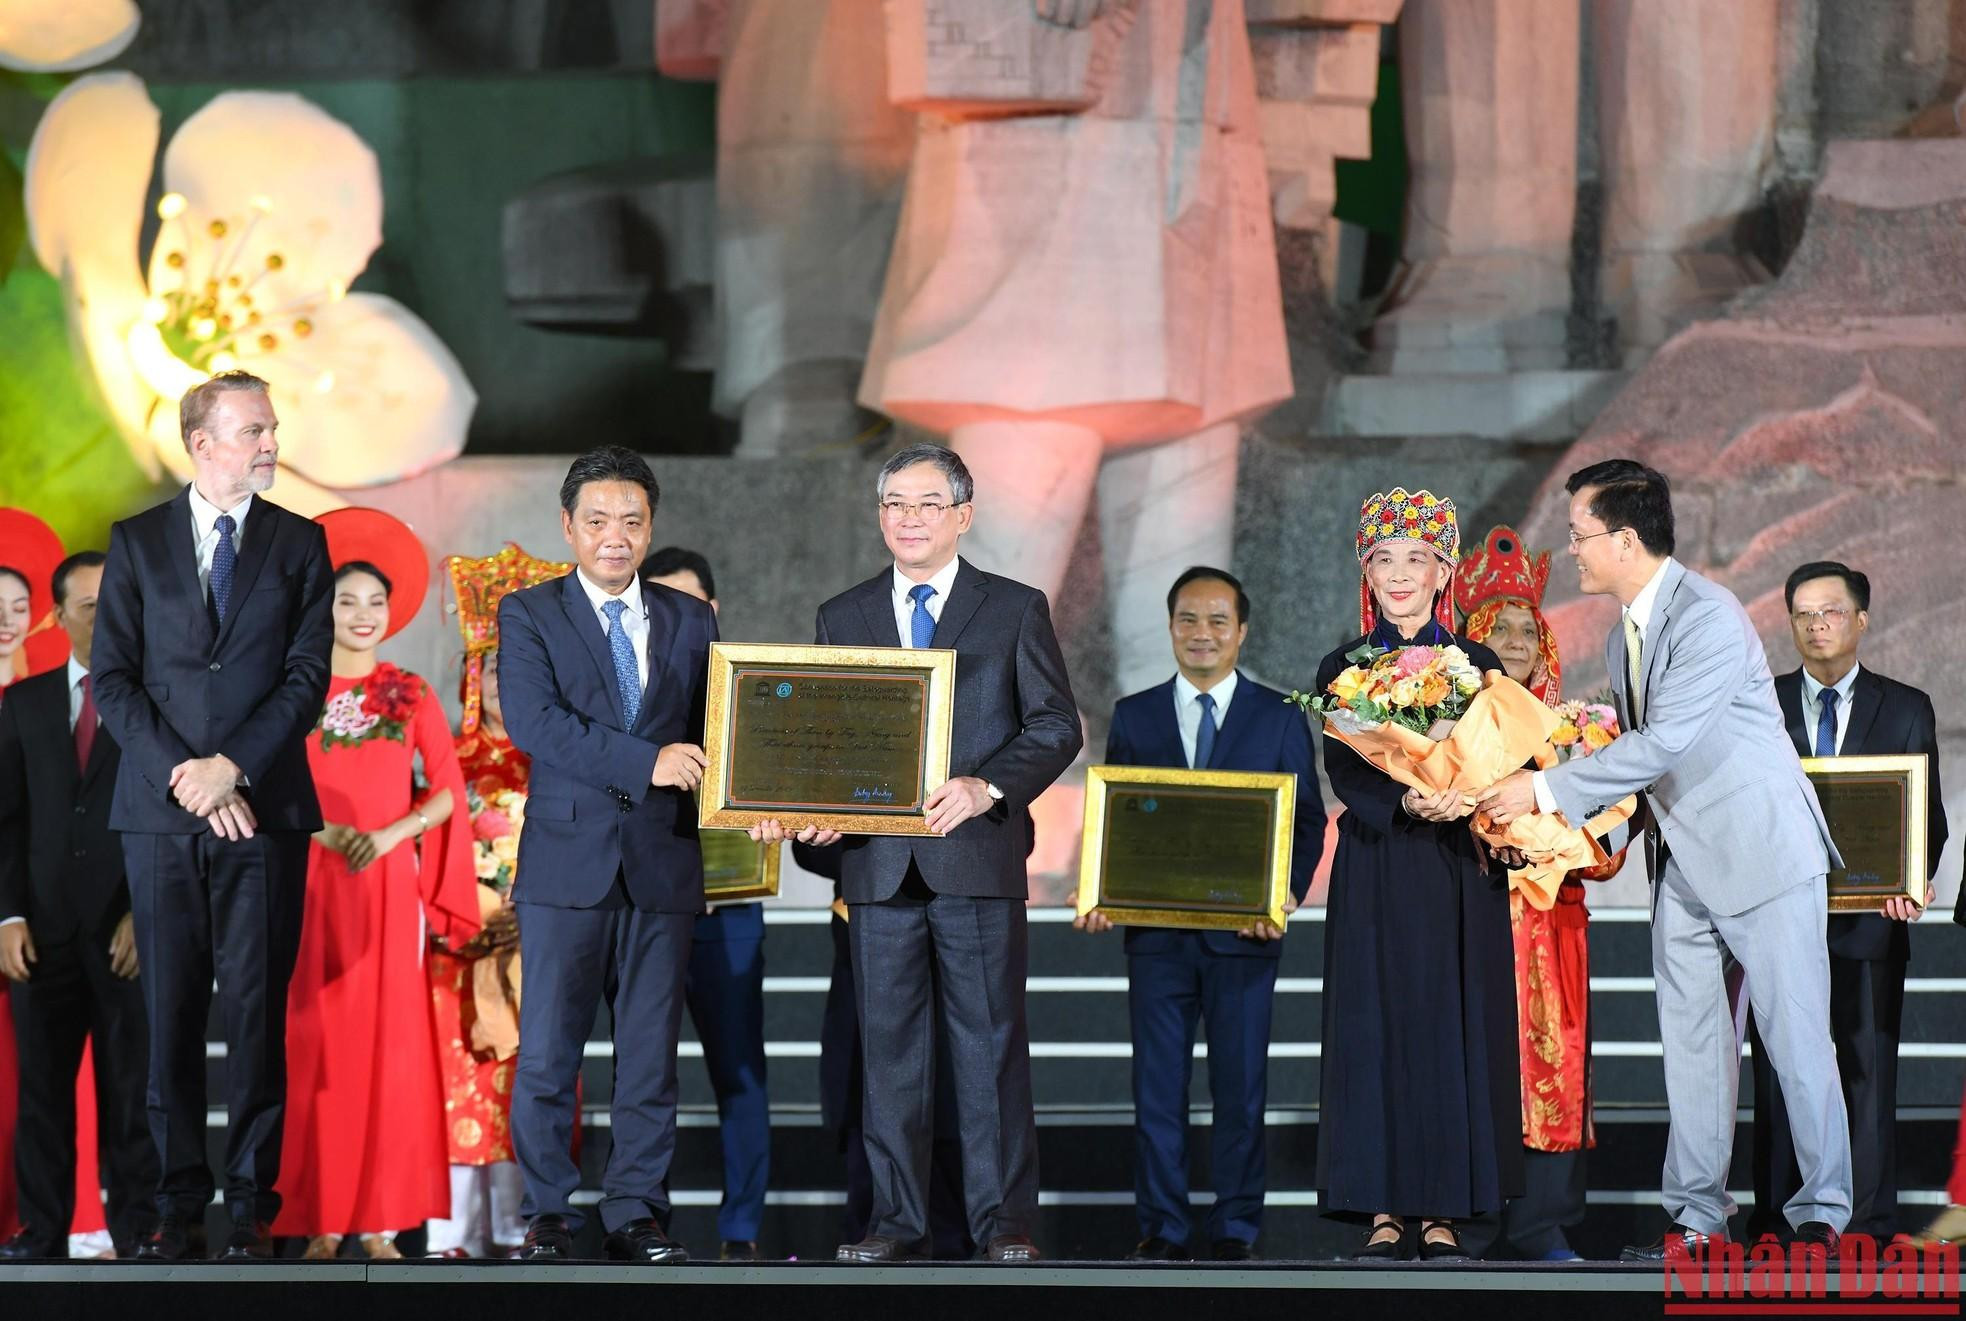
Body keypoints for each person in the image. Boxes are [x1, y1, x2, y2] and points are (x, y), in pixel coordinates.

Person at [1478, 459, 1849, 1258]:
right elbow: (1647, 771)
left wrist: (1541, 792)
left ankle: (1822, 1210)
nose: (1571, 547)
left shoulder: (1710, 616)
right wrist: (1570, 840)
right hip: (1682, 865)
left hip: (1763, 855)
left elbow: (1664, 742)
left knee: (1796, 1040)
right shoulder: (1619, 639)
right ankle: (1697, 1218)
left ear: (1624, 536)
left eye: (1579, 533)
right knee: (1692, 1047)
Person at [754, 442, 1082, 1263]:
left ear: (963, 515)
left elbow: (1054, 726)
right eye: (895, 503)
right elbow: (823, 742)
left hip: (973, 857)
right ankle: (896, 1220)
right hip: (875, 866)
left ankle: (1002, 1222)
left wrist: (985, 786)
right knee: (888, 1051)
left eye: (927, 503)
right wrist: (815, 809)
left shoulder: (1013, 607)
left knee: (988, 1045)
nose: (909, 518)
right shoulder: (844, 613)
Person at [91, 370, 334, 1260]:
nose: (271, 442)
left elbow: (306, 677)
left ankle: (251, 1204)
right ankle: (174, 1202)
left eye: (272, 427)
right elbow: (114, 677)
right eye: (254, 430)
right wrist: (187, 777)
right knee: (170, 1014)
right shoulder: (139, 541)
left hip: (264, 812)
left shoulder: (301, 544)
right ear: (203, 443)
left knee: (258, 1012)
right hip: (161, 819)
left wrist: (232, 769)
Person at [497, 447, 719, 1264]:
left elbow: (716, 731)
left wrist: (754, 800)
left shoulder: (692, 618)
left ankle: (635, 1211)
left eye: (631, 520)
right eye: (597, 520)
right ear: (568, 527)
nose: (615, 536)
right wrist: (645, 761)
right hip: (565, 864)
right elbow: (535, 724)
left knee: (650, 1056)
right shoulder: (529, 613)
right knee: (551, 1051)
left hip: (662, 861)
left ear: (651, 525)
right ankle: (549, 1212)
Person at [1076, 566, 1325, 1262]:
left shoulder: (1280, 716)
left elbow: (1305, 823)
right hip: (1157, 940)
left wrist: (1287, 896)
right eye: (1189, 619)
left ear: (1242, 630)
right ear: (1170, 626)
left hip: (1245, 936)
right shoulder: (1136, 714)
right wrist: (1100, 887)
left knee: (1241, 1092)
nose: (1203, 633)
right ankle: (1163, 1225)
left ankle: (1237, 1226)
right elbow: (1119, 818)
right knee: (1158, 1092)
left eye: (1218, 620)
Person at [1315, 488, 1522, 1261]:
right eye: (1384, 560)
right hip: (1376, 861)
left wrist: (1460, 797)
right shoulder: (1343, 667)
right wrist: (1405, 795)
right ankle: (1380, 1206)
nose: (1399, 574)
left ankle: (1443, 1205)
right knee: (1374, 1026)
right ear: (1366, 572)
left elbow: (1505, 757)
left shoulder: (1480, 665)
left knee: (1449, 1024)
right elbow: (1345, 767)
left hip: (1456, 868)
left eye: (1416, 559)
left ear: (1443, 572)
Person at [274, 513, 482, 1257]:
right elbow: (268, 780)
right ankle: (321, 1218)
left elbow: (447, 792)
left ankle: (381, 1222)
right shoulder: (293, 689)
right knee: (314, 1046)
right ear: (320, 608)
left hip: (387, 885)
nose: (362, 615)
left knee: (389, 1045)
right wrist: (324, 830)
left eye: (374, 603)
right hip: (310, 882)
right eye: (346, 601)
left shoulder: (409, 691)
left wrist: (392, 833)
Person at [1748, 561, 1948, 1245]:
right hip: (1777, 923)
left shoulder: (1907, 706)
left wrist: (1911, 880)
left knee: (1867, 1070)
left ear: (1861, 619)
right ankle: (1778, 1217)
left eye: (1831, 611)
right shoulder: (1758, 703)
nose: (1817, 625)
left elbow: (1930, 818)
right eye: (1803, 613)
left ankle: (1864, 1222)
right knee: (1779, 1074)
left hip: (1871, 922)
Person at [1456, 525, 1611, 1262]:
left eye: (1527, 627)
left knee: (1556, 1061)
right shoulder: (1442, 725)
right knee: (1475, 1064)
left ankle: (1544, 1223)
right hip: (1475, 918)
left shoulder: (1573, 731)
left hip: (1552, 927)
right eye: (1499, 627)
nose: (1515, 638)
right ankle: (1473, 1218)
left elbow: (1607, 840)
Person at [0, 552, 157, 1258]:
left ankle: (140, 1233)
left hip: (128, 933)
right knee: (43, 1098)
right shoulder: (24, 702)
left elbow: (171, 822)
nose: (104, 614)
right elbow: (6, 820)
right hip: (41, 933)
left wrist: (142, 914)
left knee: (132, 1097)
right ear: (58, 615)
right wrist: (6, 916)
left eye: (114, 600)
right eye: (88, 604)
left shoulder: (158, 701)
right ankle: (42, 1233)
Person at [426, 543, 570, 1260]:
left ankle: (522, 1225)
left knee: (530, 1077)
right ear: (471, 674)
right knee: (454, 1077)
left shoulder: (562, 760)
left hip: (539, 944)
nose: (503, 680)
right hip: (456, 943)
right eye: (491, 665)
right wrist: (462, 909)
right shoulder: (442, 761)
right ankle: (451, 1229)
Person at [640, 547, 770, 1262]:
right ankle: (644, 1217)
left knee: (739, 1068)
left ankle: (741, 1229)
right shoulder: (626, 688)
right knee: (646, 1065)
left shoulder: (751, 694)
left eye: (689, 605)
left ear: (713, 612)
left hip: (729, 908)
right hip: (649, 907)